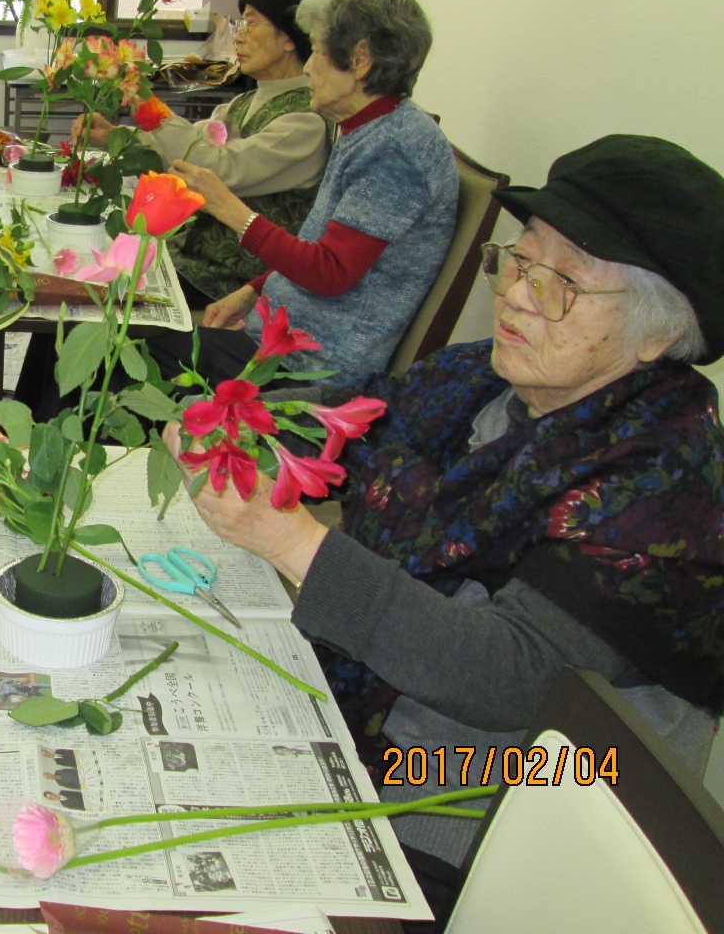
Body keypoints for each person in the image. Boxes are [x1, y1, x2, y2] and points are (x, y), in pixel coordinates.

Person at [170, 134, 724, 917]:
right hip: (379, 714)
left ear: (659, 334)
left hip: (487, 792)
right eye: (521, 261)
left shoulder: (666, 483)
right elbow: (350, 432)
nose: (520, 295)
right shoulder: (481, 384)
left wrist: (291, 540)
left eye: (563, 283)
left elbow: (513, 677)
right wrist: (240, 427)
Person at [165, 0, 458, 384]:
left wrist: (228, 207)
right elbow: (326, 248)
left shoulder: (395, 150)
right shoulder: (367, 128)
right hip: (278, 338)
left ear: (359, 61)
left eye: (318, 52)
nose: (306, 67)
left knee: (126, 347)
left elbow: (330, 273)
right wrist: (252, 291)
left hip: (314, 369)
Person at [75, 0, 335, 306]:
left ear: (289, 38)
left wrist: (150, 105)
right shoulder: (245, 102)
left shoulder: (305, 124)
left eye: (251, 23)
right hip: (189, 259)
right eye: (239, 24)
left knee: (94, 296)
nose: (238, 36)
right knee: (78, 278)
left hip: (226, 281)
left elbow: (213, 170)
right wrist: (115, 135)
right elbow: (187, 146)